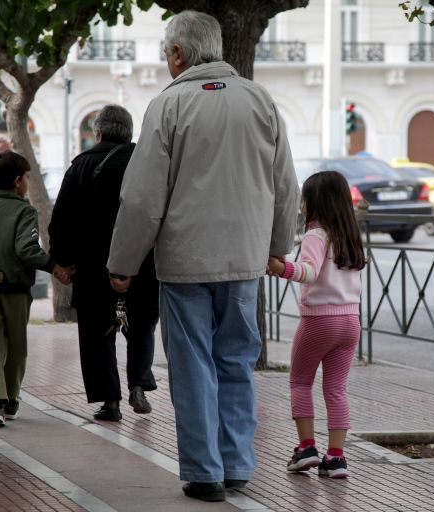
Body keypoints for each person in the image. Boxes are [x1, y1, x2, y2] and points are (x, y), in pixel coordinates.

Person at [106, 10, 300, 502]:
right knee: (236, 360)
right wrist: (276, 248)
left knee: (193, 365)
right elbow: (285, 187)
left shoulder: (168, 105)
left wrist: (122, 263)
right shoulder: (261, 101)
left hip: (186, 262)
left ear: (177, 53)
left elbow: (142, 198)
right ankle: (236, 465)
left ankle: (203, 472)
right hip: (245, 262)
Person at [48, 105, 158, 422]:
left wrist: (65, 262)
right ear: (129, 132)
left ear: (98, 132)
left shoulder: (82, 166)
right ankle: (138, 383)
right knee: (141, 325)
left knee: (97, 334)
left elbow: (61, 220)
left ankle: (110, 401)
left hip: (95, 267)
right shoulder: (146, 164)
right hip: (143, 265)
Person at [267, 170, 367, 480]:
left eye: (305, 199)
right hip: (351, 322)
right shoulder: (349, 235)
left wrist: (281, 268)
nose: (302, 205)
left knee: (300, 382)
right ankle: (336, 458)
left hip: (319, 321)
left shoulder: (315, 235)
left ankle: (306, 448)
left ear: (316, 203)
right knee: (336, 389)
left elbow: (308, 272)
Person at [0, 150, 71, 428]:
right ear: (17, 181)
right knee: (17, 348)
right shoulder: (25, 210)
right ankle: (11, 399)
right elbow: (26, 249)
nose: (27, 182)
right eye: (27, 177)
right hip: (14, 290)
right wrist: (54, 267)